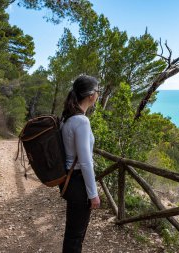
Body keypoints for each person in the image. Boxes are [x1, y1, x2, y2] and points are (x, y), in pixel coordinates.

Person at [60, 75, 101, 253]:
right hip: (78, 182)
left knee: (72, 233)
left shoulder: (67, 117)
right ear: (91, 95)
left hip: (68, 180)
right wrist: (93, 194)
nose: (98, 94)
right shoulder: (82, 121)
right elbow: (85, 162)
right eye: (98, 91)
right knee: (76, 236)